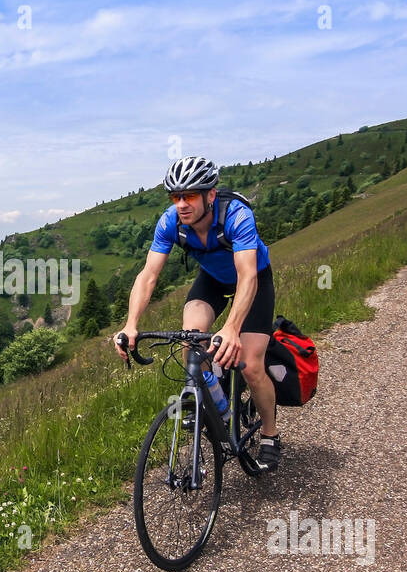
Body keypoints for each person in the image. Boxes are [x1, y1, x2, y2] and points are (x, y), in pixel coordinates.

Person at [113, 156, 281, 470]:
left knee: (250, 364)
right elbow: (148, 276)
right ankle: (218, 404)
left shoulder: (236, 216)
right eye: (175, 197)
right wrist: (131, 324)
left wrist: (231, 328)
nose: (181, 204)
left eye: (189, 196)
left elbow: (247, 276)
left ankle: (270, 435)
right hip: (213, 280)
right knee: (190, 341)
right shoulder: (170, 223)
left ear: (210, 195)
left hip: (253, 281)